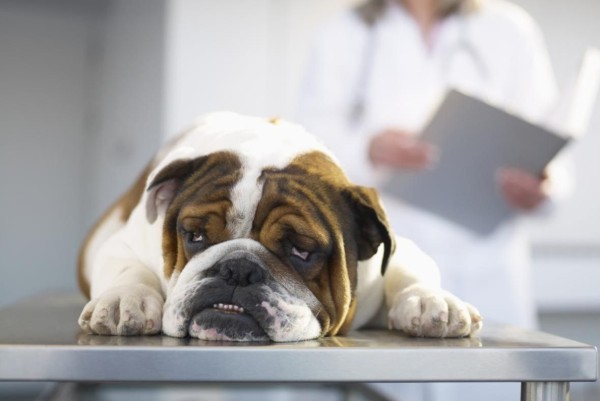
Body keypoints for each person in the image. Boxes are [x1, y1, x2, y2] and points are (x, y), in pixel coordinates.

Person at [297, 0, 572, 400]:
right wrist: (368, 149)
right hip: (389, 267)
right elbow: (309, 149)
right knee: (391, 387)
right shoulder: (343, 33)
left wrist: (542, 189)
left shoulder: (510, 30)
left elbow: (552, 151)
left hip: (488, 269)